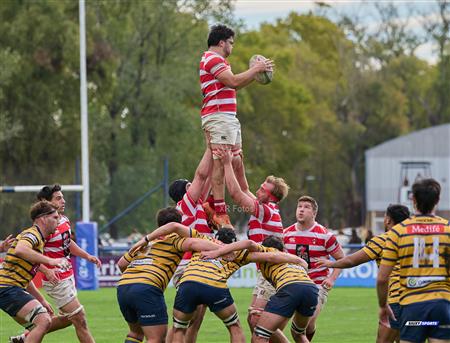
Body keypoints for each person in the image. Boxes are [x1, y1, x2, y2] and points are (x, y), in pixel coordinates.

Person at [200, 24, 274, 226]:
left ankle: (224, 201)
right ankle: (218, 208)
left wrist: (256, 74)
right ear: (221, 42)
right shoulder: (212, 58)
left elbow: (236, 84)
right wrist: (255, 69)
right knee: (220, 160)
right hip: (218, 116)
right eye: (231, 43)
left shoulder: (220, 61)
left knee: (234, 159)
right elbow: (232, 81)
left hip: (228, 118)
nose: (232, 47)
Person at [172, 233, 306, 343]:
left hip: (188, 282)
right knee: (234, 326)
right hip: (214, 286)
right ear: (234, 242)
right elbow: (271, 255)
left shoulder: (204, 241)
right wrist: (298, 260)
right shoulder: (238, 253)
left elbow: (188, 241)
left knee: (179, 328)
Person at [116, 207, 224, 343]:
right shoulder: (175, 238)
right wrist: (225, 249)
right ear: (180, 224)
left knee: (135, 333)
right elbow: (193, 243)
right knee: (156, 338)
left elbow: (121, 264)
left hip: (124, 287)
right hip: (147, 287)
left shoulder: (147, 243)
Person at [216, 149, 289, 341]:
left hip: (274, 269)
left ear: (272, 197)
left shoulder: (266, 210)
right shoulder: (266, 206)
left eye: (263, 190)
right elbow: (243, 185)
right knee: (253, 319)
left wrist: (225, 164)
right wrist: (238, 160)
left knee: (257, 319)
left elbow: (236, 193)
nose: (258, 190)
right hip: (267, 269)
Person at [317, 204, 410, 343]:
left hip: (396, 300)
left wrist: (331, 263)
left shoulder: (383, 240)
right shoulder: (415, 239)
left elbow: (350, 261)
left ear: (388, 220)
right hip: (418, 300)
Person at [202, 236, 317, 343]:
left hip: (290, 287)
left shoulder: (267, 251)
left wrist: (217, 252)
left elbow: (249, 243)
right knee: (299, 333)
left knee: (259, 335)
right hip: (311, 289)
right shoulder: (297, 260)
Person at [377, 179, 450, 343]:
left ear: (413, 200)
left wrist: (383, 306)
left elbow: (382, 278)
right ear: (437, 200)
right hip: (441, 306)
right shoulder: (447, 229)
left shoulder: (398, 232)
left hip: (412, 307)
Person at [34, 184, 100, 343]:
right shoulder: (42, 227)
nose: (63, 201)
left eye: (63, 197)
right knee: (80, 318)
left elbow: (67, 242)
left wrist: (86, 256)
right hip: (56, 279)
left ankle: (27, 337)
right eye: (58, 198)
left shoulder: (63, 220)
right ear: (46, 202)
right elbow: (32, 255)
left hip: (67, 275)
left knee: (67, 319)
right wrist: (47, 271)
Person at [0, 201, 70, 343]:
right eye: (55, 218)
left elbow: (24, 277)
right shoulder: (33, 234)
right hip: (7, 289)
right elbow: (20, 249)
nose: (58, 221)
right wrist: (49, 261)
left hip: (10, 288)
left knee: (41, 324)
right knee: (43, 321)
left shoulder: (39, 240)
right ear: (43, 219)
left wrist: (42, 300)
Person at [168, 146, 215, 343]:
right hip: (188, 265)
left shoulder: (197, 206)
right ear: (184, 192)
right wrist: (209, 146)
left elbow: (210, 178)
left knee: (196, 320)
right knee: (185, 320)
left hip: (200, 264)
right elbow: (201, 175)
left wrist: (222, 157)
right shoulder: (185, 205)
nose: (194, 186)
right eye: (190, 185)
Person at [283, 196, 344, 341]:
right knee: (281, 325)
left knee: (306, 325)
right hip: (293, 284)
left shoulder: (325, 235)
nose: (301, 210)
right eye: (299, 206)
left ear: (314, 213)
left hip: (317, 285)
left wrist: (331, 278)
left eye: (306, 207)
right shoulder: (286, 234)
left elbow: (341, 259)